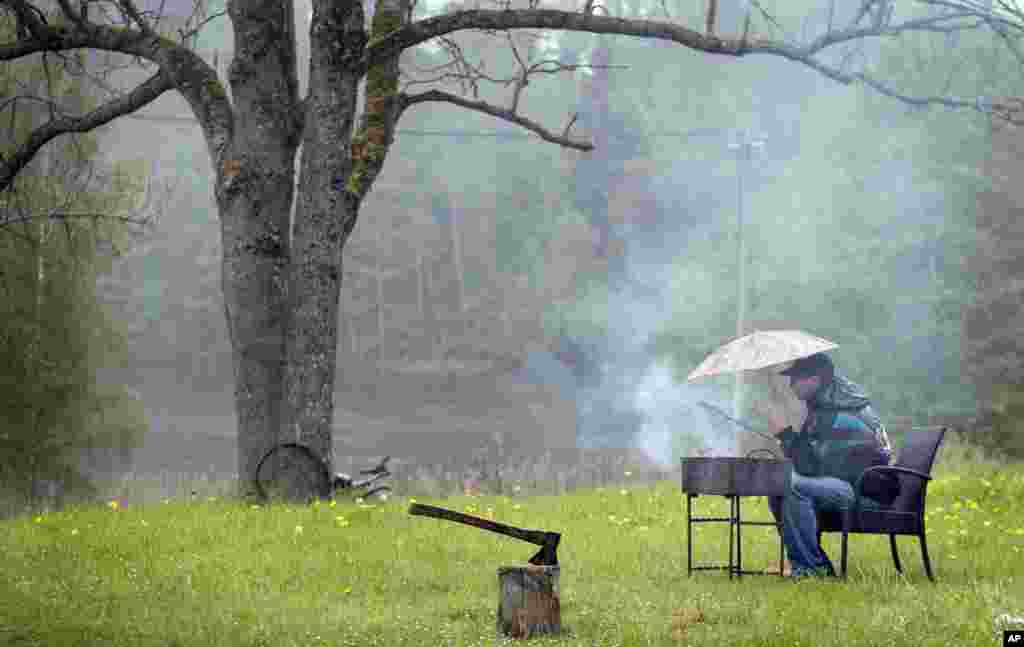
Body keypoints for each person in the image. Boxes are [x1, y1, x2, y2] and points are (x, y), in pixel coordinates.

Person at [756, 352, 899, 578]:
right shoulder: (827, 405)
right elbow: (814, 460)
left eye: (795, 378)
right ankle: (804, 561)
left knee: (791, 485)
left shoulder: (839, 412)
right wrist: (785, 435)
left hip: (866, 494)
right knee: (779, 486)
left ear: (814, 380)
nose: (790, 384)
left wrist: (784, 432)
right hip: (848, 484)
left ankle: (813, 569)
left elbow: (810, 468)